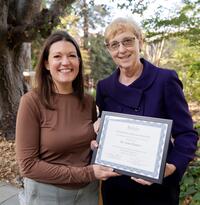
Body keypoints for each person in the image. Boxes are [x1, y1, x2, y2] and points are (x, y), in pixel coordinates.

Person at [94, 17, 198, 205]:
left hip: (157, 190)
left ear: (140, 41)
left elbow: (186, 134)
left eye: (128, 41)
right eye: (114, 44)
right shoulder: (104, 87)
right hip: (116, 188)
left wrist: (172, 167)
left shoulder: (165, 80)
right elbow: (104, 132)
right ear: (109, 50)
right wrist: (97, 139)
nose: (122, 49)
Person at [15, 30, 118, 205]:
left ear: (78, 61)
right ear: (47, 63)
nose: (65, 62)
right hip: (47, 194)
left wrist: (95, 144)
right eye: (57, 56)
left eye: (72, 55)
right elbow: (28, 165)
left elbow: (84, 142)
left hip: (88, 193)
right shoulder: (31, 102)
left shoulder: (87, 101)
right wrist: (89, 173)